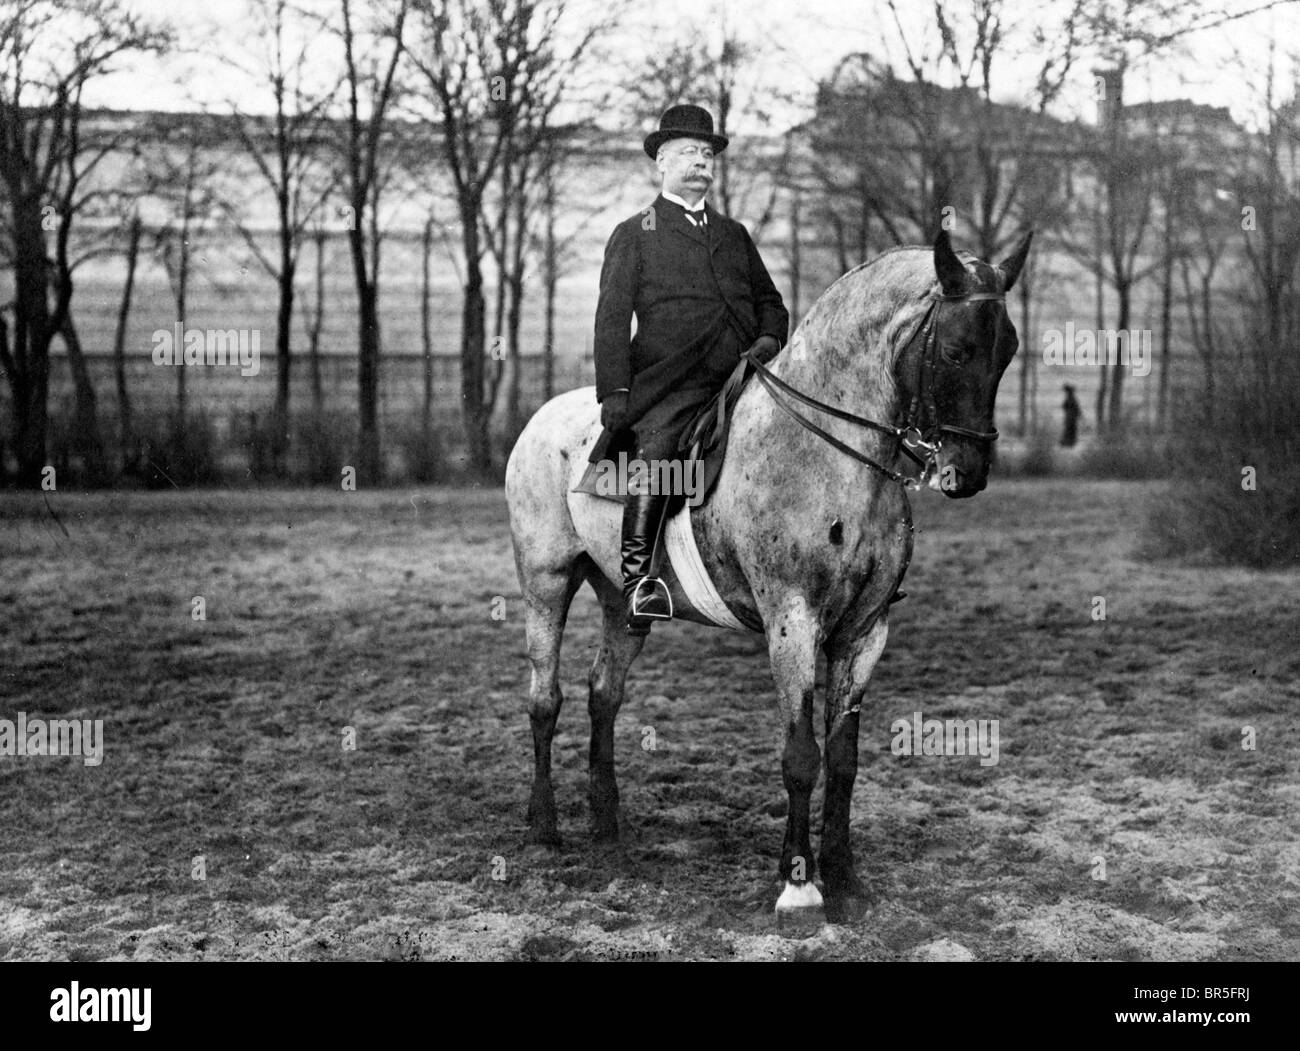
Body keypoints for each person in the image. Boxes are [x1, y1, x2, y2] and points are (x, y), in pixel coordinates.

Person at [593, 104, 790, 636]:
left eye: (707, 155)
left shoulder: (734, 234)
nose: (701, 162)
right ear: (661, 162)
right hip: (671, 382)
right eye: (688, 153)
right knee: (658, 458)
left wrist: (770, 336)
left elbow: (772, 303)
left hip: (743, 375)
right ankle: (639, 584)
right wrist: (614, 390)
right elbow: (611, 319)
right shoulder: (636, 232)